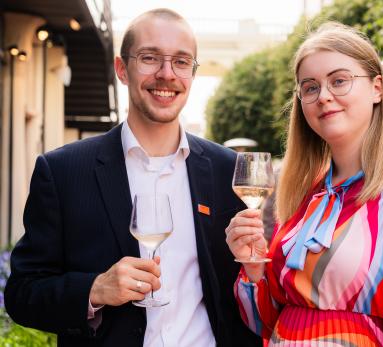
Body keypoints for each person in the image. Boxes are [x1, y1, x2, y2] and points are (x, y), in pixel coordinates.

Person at [4, 9, 262, 347]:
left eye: (182, 62)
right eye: (150, 57)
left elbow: (254, 293)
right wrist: (96, 289)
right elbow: (23, 294)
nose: (167, 74)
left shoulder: (228, 171)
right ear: (122, 69)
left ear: (193, 73)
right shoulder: (64, 171)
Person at [225, 22, 383, 346]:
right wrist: (254, 267)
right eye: (310, 87)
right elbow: (267, 322)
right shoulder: (308, 191)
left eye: (339, 81)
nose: (324, 96)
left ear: (377, 88)